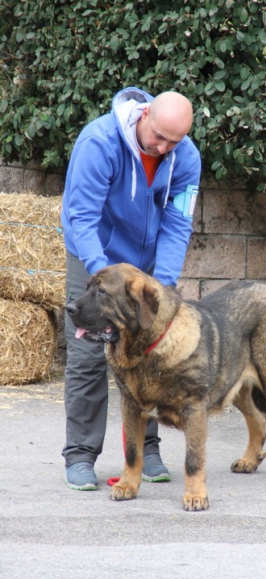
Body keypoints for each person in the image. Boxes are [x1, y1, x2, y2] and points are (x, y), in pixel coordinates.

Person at [60, 87, 201, 490]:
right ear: (143, 117)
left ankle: (147, 453)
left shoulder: (185, 156)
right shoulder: (99, 142)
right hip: (94, 259)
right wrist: (107, 282)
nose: (164, 147)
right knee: (89, 354)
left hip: (146, 268)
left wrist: (165, 285)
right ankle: (81, 456)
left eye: (175, 141)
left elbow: (178, 222)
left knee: (151, 357)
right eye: (159, 136)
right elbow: (81, 216)